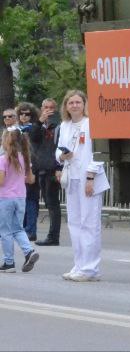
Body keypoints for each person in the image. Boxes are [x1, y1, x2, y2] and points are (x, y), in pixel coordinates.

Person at [57, 89, 102, 282]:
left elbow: (98, 153)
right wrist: (62, 156)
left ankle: (90, 268)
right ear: (66, 107)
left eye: (78, 102)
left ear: (84, 105)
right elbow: (58, 151)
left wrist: (91, 177)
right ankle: (79, 265)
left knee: (89, 223)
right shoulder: (65, 125)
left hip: (89, 179)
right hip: (72, 178)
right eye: (71, 103)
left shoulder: (91, 124)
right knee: (74, 223)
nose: (74, 105)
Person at [0, 123, 37, 273]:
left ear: (5, 141)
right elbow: (31, 180)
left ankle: (9, 262)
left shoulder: (3, 159)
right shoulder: (25, 158)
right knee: (18, 228)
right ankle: (29, 251)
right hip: (21, 197)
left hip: (5, 198)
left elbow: (1, 181)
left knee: (5, 231)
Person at [32, 97, 60, 246]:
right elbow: (33, 138)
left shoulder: (59, 126)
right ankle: (52, 235)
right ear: (41, 109)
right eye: (46, 107)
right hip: (41, 167)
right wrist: (39, 122)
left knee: (53, 202)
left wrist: (58, 168)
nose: (48, 110)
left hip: (53, 168)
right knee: (48, 202)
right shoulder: (39, 125)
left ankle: (53, 236)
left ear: (55, 110)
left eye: (51, 107)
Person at [14, 102, 38, 241]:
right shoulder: (16, 129)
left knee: (31, 199)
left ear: (32, 115)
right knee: (20, 199)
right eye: (21, 113)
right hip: (18, 167)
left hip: (31, 166)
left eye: (27, 114)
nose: (24, 116)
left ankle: (30, 230)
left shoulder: (34, 129)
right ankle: (21, 229)